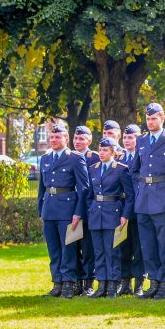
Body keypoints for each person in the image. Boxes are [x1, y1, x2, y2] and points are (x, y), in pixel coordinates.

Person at [128, 103, 165, 300]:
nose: (150, 122)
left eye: (154, 118)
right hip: (144, 198)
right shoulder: (142, 141)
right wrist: (141, 187)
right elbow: (134, 169)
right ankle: (153, 281)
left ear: (162, 118)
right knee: (147, 243)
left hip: (163, 197)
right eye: (148, 119)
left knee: (164, 243)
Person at [38, 123, 90, 299]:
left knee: (69, 248)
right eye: (51, 137)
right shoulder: (45, 158)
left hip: (68, 210)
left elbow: (84, 189)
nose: (53, 140)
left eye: (57, 137)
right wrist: (41, 210)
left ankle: (69, 283)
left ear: (66, 139)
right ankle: (57, 283)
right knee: (54, 249)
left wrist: (78, 213)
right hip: (49, 208)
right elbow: (41, 188)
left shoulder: (75, 158)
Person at [84, 137, 134, 298]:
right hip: (96, 214)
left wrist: (125, 215)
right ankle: (102, 284)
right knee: (98, 251)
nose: (101, 153)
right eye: (100, 149)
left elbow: (129, 195)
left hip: (113, 213)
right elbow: (89, 194)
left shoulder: (120, 169)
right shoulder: (93, 168)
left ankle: (113, 284)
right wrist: (90, 209)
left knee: (112, 251)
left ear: (113, 152)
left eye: (105, 150)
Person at [116, 124, 145, 296]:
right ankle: (124, 282)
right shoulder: (119, 158)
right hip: (121, 209)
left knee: (138, 248)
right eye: (125, 137)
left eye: (131, 137)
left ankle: (139, 283)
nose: (127, 140)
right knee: (123, 247)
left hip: (138, 207)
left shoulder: (142, 157)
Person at [72, 125, 99, 296]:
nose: (78, 142)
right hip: (70, 208)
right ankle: (77, 282)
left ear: (89, 141)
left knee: (88, 249)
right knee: (74, 247)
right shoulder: (69, 157)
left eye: (82, 139)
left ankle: (89, 282)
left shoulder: (95, 157)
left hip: (88, 210)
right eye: (75, 138)